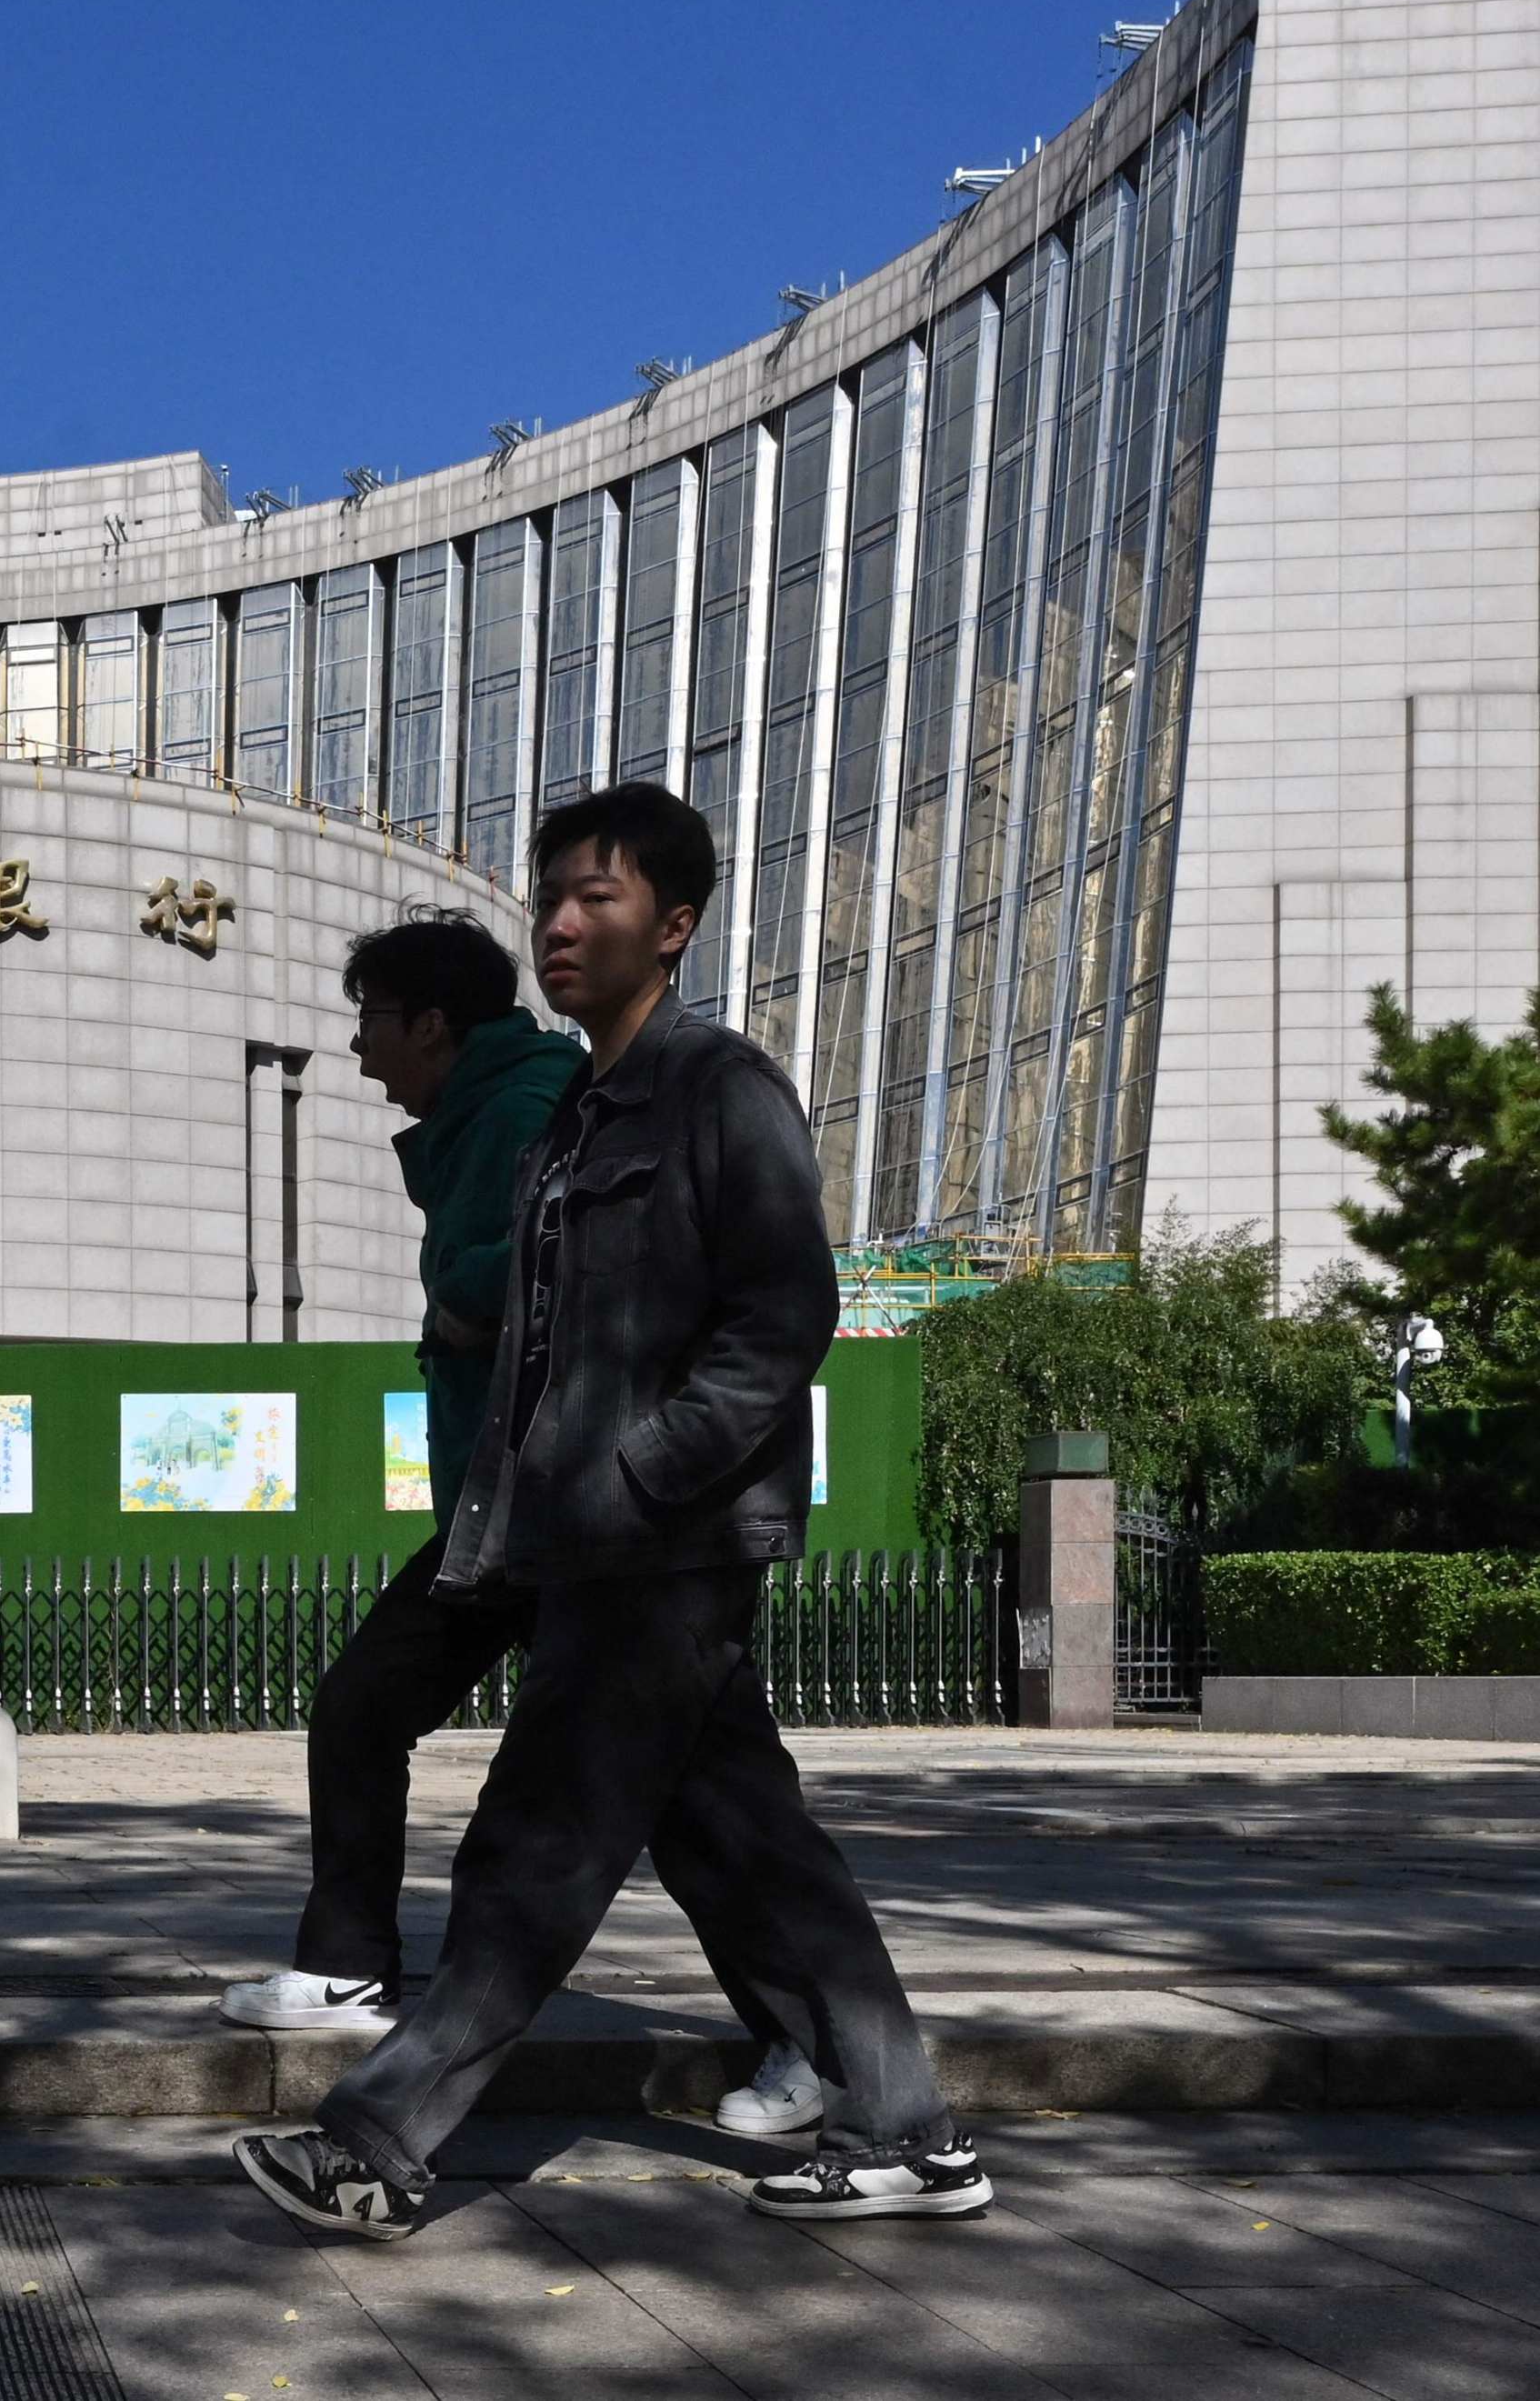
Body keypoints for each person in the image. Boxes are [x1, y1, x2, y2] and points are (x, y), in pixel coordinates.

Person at [232, 782, 985, 2237]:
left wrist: (639, 1473)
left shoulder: (720, 1088)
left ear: (676, 924)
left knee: (530, 1855)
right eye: (553, 895)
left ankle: (378, 2141)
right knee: (745, 1847)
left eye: (602, 898)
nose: (563, 922)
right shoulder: (581, 1108)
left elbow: (783, 1318)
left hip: (666, 1542)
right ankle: (910, 2134)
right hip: (587, 1535)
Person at [217, 906, 828, 2141]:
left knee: (691, 1806)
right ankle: (353, 1966)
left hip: (583, 1509)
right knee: (388, 1708)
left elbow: (563, 1276)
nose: (356, 1047)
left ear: (434, 1025)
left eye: (371, 1021)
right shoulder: (500, 1106)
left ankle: (826, 2054)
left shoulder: (543, 1102)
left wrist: (460, 1306)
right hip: (513, 1506)